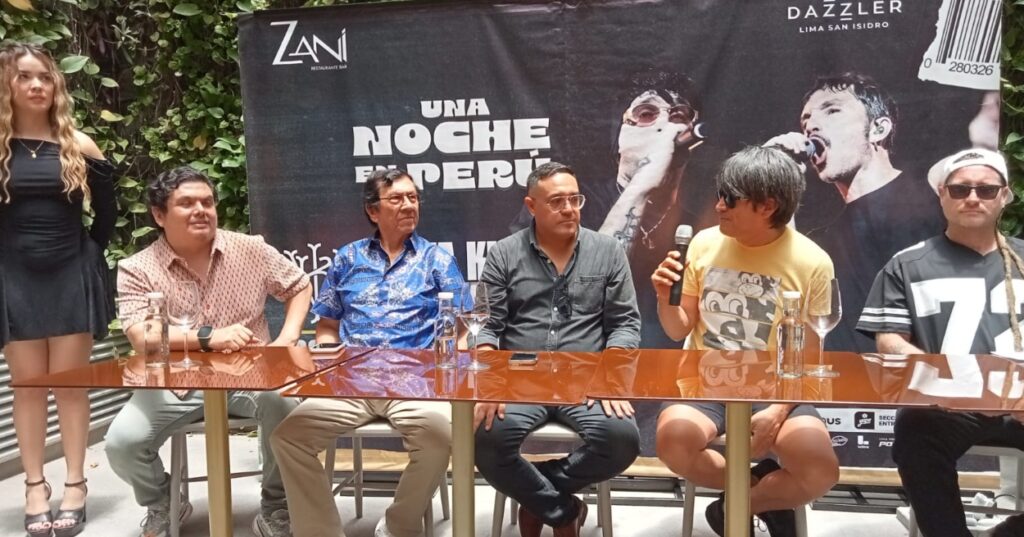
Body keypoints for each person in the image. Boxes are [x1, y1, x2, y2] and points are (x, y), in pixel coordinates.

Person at [109, 166, 312, 537]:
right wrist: (208, 338)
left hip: (251, 375)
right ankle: (163, 502)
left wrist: (287, 339)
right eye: (186, 203)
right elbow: (142, 336)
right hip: (174, 381)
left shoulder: (250, 249)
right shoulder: (137, 268)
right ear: (159, 215)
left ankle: (276, 506)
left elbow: (299, 286)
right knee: (123, 442)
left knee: (284, 403)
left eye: (207, 202)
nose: (201, 210)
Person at [652, 146, 839, 537]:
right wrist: (664, 297)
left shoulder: (813, 261)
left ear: (767, 206)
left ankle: (736, 508)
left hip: (777, 386)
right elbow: (678, 329)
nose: (718, 206)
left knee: (819, 470)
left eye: (729, 199)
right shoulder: (703, 244)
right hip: (705, 381)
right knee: (674, 444)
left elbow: (808, 356)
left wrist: (778, 412)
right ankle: (761, 491)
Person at [271, 168, 465, 537]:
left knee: (439, 435)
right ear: (372, 211)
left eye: (413, 197)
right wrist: (328, 354)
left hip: (415, 383)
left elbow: (461, 329)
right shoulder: (347, 258)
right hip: (351, 382)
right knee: (287, 437)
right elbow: (327, 325)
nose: (408, 205)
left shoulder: (437, 260)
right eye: (397, 199)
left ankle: (398, 526)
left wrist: (451, 375)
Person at [856, 148, 1024, 537]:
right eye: (960, 189)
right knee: (916, 430)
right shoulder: (906, 264)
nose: (973, 198)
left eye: (986, 189)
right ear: (941, 195)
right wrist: (949, 385)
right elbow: (890, 341)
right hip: (949, 405)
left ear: (1004, 196)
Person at [474, 161, 642, 537]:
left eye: (574, 199)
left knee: (621, 440)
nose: (569, 209)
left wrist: (612, 375)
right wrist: (490, 380)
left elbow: (625, 324)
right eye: (556, 201)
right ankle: (564, 511)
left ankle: (538, 495)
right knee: (486, 441)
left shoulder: (608, 250)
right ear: (531, 206)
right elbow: (486, 325)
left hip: (587, 378)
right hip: (520, 378)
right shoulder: (503, 253)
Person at [0, 42, 116, 537]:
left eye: (45, 77)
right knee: (27, 388)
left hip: (70, 273)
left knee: (70, 387)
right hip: (14, 276)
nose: (37, 85)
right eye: (25, 76)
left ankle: (74, 484)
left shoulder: (79, 144)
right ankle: (34, 486)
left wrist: (90, 255)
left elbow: (108, 210)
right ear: (7, 84)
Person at [765, 72, 944, 352]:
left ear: (878, 129)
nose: (811, 126)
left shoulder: (933, 187)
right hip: (846, 375)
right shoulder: (821, 240)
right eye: (805, 120)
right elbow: (789, 290)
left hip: (919, 370)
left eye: (832, 111)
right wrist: (780, 178)